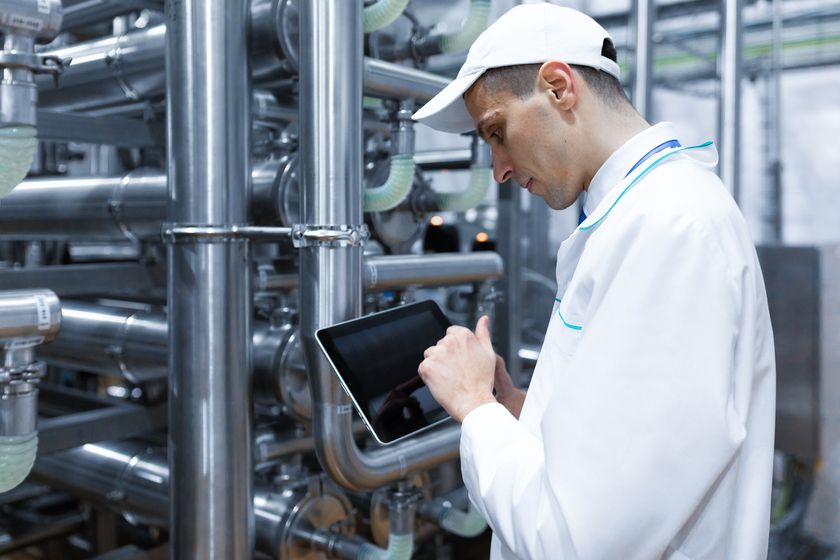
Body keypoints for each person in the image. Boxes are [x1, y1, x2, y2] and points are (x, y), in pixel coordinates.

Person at [413, 3, 776, 559]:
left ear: (559, 87)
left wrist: (474, 408)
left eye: (497, 132)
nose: (500, 170)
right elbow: (628, 448)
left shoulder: (668, 230)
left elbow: (575, 542)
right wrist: (526, 417)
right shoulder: (641, 217)